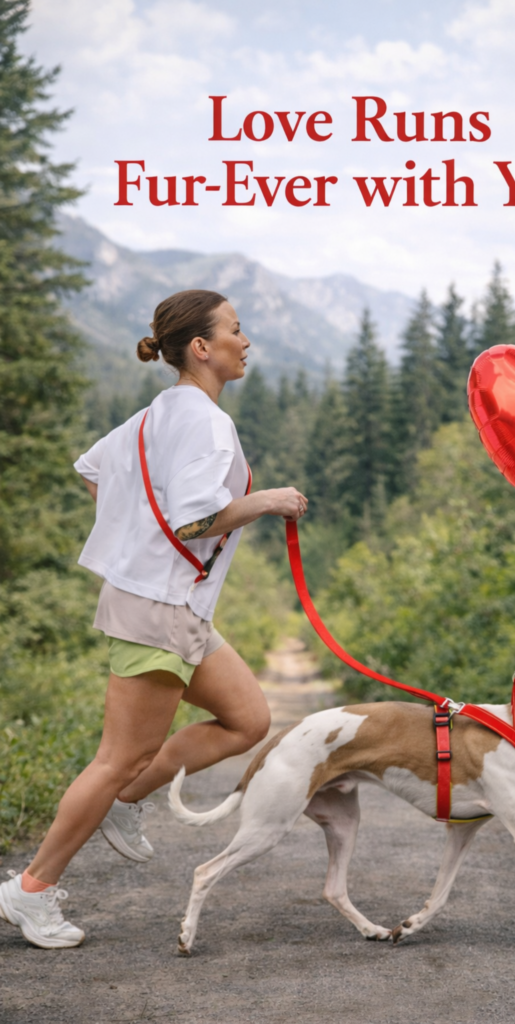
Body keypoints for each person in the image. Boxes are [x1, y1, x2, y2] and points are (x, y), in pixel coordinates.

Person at [0, 289, 308, 949]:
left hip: (173, 602)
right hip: (160, 607)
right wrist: (266, 500)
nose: (244, 340)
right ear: (201, 347)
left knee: (247, 720)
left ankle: (125, 799)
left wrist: (134, 537)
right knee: (118, 758)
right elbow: (192, 517)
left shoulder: (163, 410)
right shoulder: (202, 421)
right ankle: (31, 890)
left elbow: (93, 470)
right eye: (234, 328)